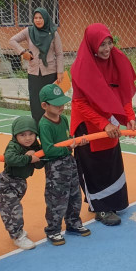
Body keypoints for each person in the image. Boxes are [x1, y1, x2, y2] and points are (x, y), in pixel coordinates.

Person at [70, 23, 136, 226]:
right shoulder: (80, 68)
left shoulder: (117, 61)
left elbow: (122, 92)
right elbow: (80, 104)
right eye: (102, 45)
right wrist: (103, 124)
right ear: (91, 45)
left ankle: (113, 202)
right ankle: (99, 208)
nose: (107, 49)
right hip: (88, 123)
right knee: (94, 166)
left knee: (111, 161)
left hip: (110, 120)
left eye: (109, 43)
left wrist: (129, 115)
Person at [39, 84, 91, 245]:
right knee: (57, 199)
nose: (61, 107)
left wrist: (75, 143)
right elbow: (48, 150)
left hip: (69, 163)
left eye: (62, 103)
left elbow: (68, 139)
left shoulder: (64, 119)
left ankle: (73, 223)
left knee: (74, 195)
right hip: (55, 168)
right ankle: (53, 230)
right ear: (44, 105)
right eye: (56, 104)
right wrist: (69, 147)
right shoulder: (45, 125)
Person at [0, 115, 47, 249]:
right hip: (6, 184)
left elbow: (39, 165)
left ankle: (17, 231)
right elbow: (10, 159)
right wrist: (28, 158)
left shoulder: (35, 146)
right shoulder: (13, 146)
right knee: (13, 210)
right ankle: (18, 236)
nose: (28, 138)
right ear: (15, 135)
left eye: (31, 134)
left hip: (20, 183)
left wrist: (38, 159)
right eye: (22, 135)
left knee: (13, 209)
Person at [10, 7, 65, 122]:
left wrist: (60, 72)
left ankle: (52, 125)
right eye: (35, 18)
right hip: (34, 74)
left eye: (40, 18)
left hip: (50, 73)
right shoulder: (29, 31)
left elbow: (59, 54)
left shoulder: (53, 33)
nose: (38, 20)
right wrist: (23, 52)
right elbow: (12, 40)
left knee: (51, 102)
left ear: (45, 18)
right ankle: (37, 128)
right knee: (36, 103)